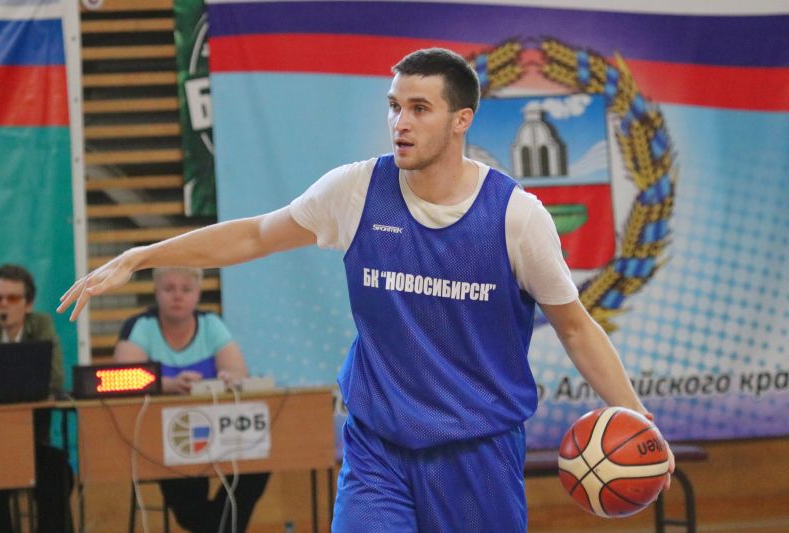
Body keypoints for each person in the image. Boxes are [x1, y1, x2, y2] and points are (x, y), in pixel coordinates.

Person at [60, 48, 674, 532]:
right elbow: (253, 235)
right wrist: (142, 256)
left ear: (461, 120)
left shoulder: (517, 217)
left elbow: (575, 327)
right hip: (378, 446)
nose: (400, 122)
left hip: (476, 452)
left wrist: (640, 422)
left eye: (419, 108)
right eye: (394, 106)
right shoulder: (356, 191)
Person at [114, 267, 269, 533]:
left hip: (218, 434)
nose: (178, 296)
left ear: (197, 293)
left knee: (258, 465)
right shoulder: (140, 327)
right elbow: (121, 379)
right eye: (169, 289)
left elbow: (238, 373)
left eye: (186, 289)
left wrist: (227, 380)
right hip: (162, 439)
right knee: (190, 500)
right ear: (156, 292)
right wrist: (167, 384)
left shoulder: (211, 324)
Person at [0, 264, 73, 533]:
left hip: (33, 441)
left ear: (28, 304)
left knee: (58, 473)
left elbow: (55, 377)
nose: (4, 305)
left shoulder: (41, 325)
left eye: (13, 298)